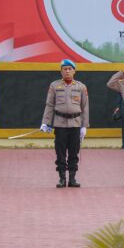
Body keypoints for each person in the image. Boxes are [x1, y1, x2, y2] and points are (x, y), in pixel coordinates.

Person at [40, 59, 89, 188]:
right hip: (60, 124)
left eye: (70, 69)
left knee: (74, 152)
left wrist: (84, 126)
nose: (67, 71)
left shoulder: (81, 87)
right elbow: (50, 105)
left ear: (74, 71)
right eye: (65, 69)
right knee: (60, 152)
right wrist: (45, 122)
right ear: (61, 72)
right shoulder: (54, 86)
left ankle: (72, 178)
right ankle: (62, 178)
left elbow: (85, 107)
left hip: (75, 124)